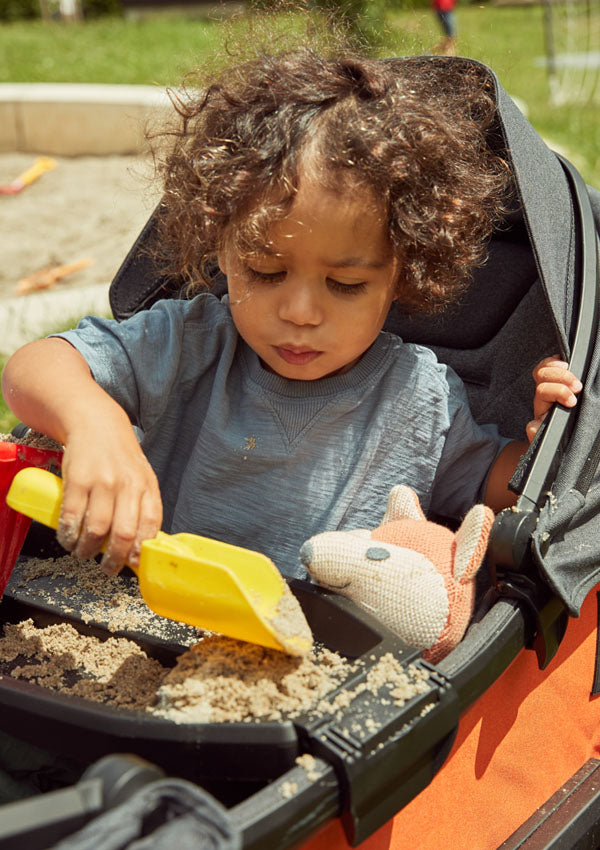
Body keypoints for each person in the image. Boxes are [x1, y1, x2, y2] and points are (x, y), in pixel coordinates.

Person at [1, 50, 582, 580]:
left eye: (346, 284)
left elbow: (497, 492)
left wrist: (544, 439)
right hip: (144, 622)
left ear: (400, 273)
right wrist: (94, 423)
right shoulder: (190, 343)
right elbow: (32, 367)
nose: (301, 312)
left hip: (316, 663)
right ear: (222, 247)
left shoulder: (419, 400)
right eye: (266, 272)